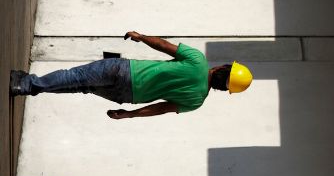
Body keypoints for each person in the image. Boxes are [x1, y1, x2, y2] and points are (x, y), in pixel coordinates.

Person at [9, 31, 252, 119]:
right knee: (80, 86)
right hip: (126, 96)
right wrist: (129, 115)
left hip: (125, 70)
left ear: (223, 69)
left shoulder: (198, 60)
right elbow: (161, 108)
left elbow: (164, 45)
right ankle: (33, 87)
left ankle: (26, 84)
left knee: (75, 76)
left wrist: (141, 37)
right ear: (224, 89)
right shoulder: (197, 101)